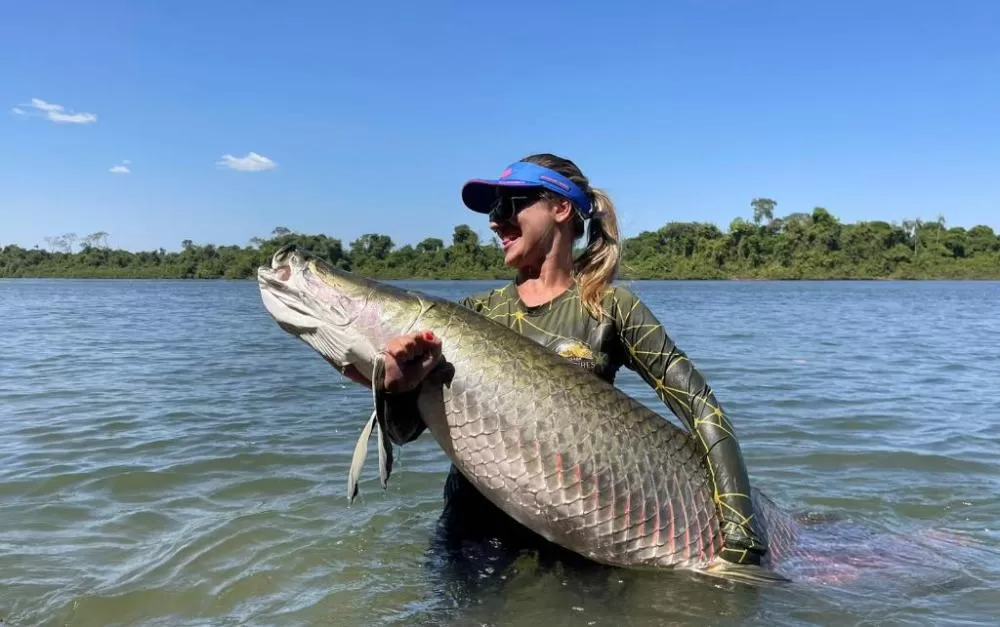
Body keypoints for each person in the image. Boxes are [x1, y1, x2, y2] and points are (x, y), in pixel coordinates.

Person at [376, 153, 768, 567]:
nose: (495, 221)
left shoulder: (611, 307)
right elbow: (403, 432)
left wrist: (740, 528)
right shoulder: (473, 315)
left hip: (579, 538)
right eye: (492, 210)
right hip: (473, 536)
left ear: (561, 208)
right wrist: (394, 388)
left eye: (508, 205)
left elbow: (702, 407)